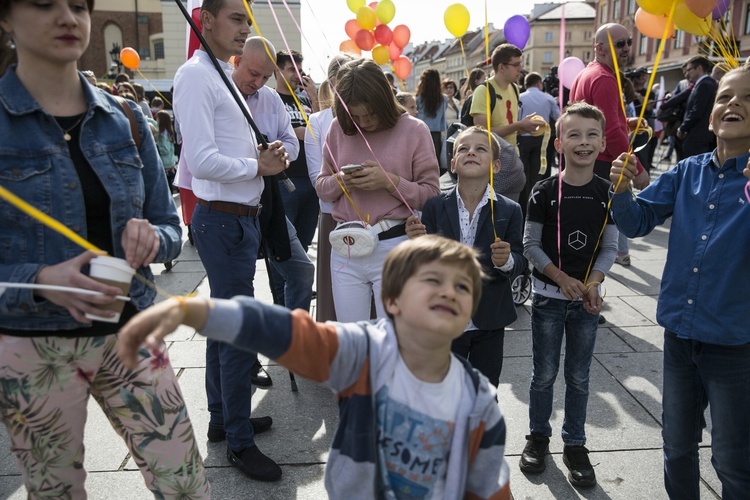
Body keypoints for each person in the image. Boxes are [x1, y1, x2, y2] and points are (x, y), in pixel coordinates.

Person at [118, 235, 511, 500]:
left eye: (463, 287)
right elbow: (294, 334)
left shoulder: (478, 399)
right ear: (391, 300)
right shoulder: (365, 351)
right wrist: (199, 310)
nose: (449, 291)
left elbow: (490, 484)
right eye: (433, 280)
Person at [0, 0, 209, 497]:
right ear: (6, 17)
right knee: (56, 491)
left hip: (131, 329)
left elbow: (170, 226)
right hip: (33, 344)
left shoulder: (127, 119)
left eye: (78, 5)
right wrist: (40, 278)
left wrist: (154, 238)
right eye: (45, 4)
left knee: (185, 483)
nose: (68, 17)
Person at [608, 64, 750, 500]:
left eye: (748, 98)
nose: (733, 104)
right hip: (679, 335)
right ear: (709, 114)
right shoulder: (687, 171)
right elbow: (637, 222)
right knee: (676, 446)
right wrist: (622, 189)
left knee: (732, 461)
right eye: (725, 96)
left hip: (734, 344)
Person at [172, 0, 290, 482]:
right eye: (237, 19)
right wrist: (254, 167)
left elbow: (228, 146)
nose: (245, 29)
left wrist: (263, 155)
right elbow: (200, 160)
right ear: (208, 21)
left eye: (248, 20)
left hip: (239, 220)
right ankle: (239, 442)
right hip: (220, 221)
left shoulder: (221, 72)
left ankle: (224, 420)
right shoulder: (197, 75)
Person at [520, 103, 617, 488]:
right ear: (559, 143)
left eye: (592, 135)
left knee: (578, 376)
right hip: (547, 299)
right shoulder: (543, 191)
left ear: (603, 142)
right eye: (574, 135)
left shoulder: (608, 192)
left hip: (586, 303)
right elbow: (530, 244)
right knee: (543, 374)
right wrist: (560, 278)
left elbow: (610, 248)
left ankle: (575, 442)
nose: (583, 142)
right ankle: (538, 436)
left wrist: (593, 282)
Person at [316, 59, 440, 322]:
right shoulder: (338, 128)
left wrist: (389, 181)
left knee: (395, 337)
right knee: (353, 338)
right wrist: (342, 181)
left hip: (394, 244)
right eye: (355, 116)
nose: (363, 122)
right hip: (346, 245)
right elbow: (322, 187)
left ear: (383, 100)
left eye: (370, 114)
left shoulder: (414, 130)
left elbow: (431, 194)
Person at [405, 127, 526, 386]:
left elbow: (521, 261)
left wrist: (506, 261)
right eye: (463, 148)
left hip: (489, 320)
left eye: (480, 148)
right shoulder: (435, 206)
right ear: (453, 164)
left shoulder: (510, 209)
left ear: (495, 165)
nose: (471, 152)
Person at [232, 36, 315, 385]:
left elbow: (295, 142)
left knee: (296, 268)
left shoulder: (271, 99)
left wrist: (280, 150)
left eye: (265, 77)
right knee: (246, 287)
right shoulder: (221, 91)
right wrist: (258, 161)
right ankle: (254, 359)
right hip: (235, 204)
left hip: (280, 196)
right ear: (237, 63)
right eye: (255, 74)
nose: (259, 83)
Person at [305, 53, 356, 322]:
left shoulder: (372, 117)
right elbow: (319, 181)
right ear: (335, 82)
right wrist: (350, 180)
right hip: (333, 217)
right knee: (334, 295)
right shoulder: (318, 122)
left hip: (373, 217)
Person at [570, 23, 649, 189]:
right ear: (600, 49)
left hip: (590, 162)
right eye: (620, 44)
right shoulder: (603, 78)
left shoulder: (586, 73)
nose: (627, 48)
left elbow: (592, 120)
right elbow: (610, 131)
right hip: (603, 163)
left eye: (629, 42)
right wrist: (637, 170)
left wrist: (625, 122)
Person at [274, 49, 320, 254]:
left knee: (303, 242)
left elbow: (321, 128)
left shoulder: (306, 101)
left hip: (312, 179)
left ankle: (299, 287)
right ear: (277, 70)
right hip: (286, 181)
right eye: (292, 69)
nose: (298, 74)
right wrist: (299, 132)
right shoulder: (271, 99)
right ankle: (280, 287)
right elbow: (272, 133)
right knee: (283, 241)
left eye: (300, 70)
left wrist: (315, 99)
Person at [470, 44, 539, 151]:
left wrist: (525, 127)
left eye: (520, 64)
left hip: (513, 153)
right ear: (501, 67)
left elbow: (509, 129)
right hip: (492, 157)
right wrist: (518, 125)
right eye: (516, 65)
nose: (521, 69)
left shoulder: (514, 87)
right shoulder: (483, 90)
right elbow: (482, 133)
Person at [518, 71, 560, 218]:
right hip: (543, 139)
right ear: (539, 83)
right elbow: (558, 117)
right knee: (540, 172)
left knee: (523, 171)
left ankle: (523, 205)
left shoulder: (520, 97)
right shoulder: (548, 98)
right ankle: (537, 203)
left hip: (522, 137)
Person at [676, 56, 718, 160]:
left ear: (699, 68)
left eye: (689, 69)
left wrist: (682, 128)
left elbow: (697, 111)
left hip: (697, 137)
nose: (687, 73)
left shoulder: (704, 84)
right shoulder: (703, 84)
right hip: (697, 136)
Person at [415, 68, 448, 166]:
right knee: (435, 160)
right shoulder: (443, 99)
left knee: (420, 160)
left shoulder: (419, 98)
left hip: (421, 132)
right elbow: (443, 119)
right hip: (436, 134)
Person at [154, 109, 177, 188]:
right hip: (170, 162)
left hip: (165, 163)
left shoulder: (162, 135)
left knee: (165, 185)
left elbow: (165, 149)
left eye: (157, 119)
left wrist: (156, 146)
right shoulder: (169, 132)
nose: (156, 121)